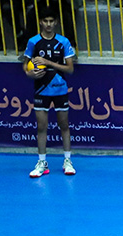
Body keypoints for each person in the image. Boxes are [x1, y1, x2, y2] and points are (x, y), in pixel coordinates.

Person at [22, 6, 77, 178]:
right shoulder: (33, 42)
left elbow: (70, 69)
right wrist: (29, 73)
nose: (48, 24)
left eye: (51, 21)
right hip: (41, 89)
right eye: (45, 21)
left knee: (64, 125)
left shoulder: (63, 42)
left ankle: (67, 161)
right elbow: (25, 65)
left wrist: (48, 63)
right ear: (40, 22)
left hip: (60, 89)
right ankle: (42, 163)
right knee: (41, 127)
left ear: (56, 23)